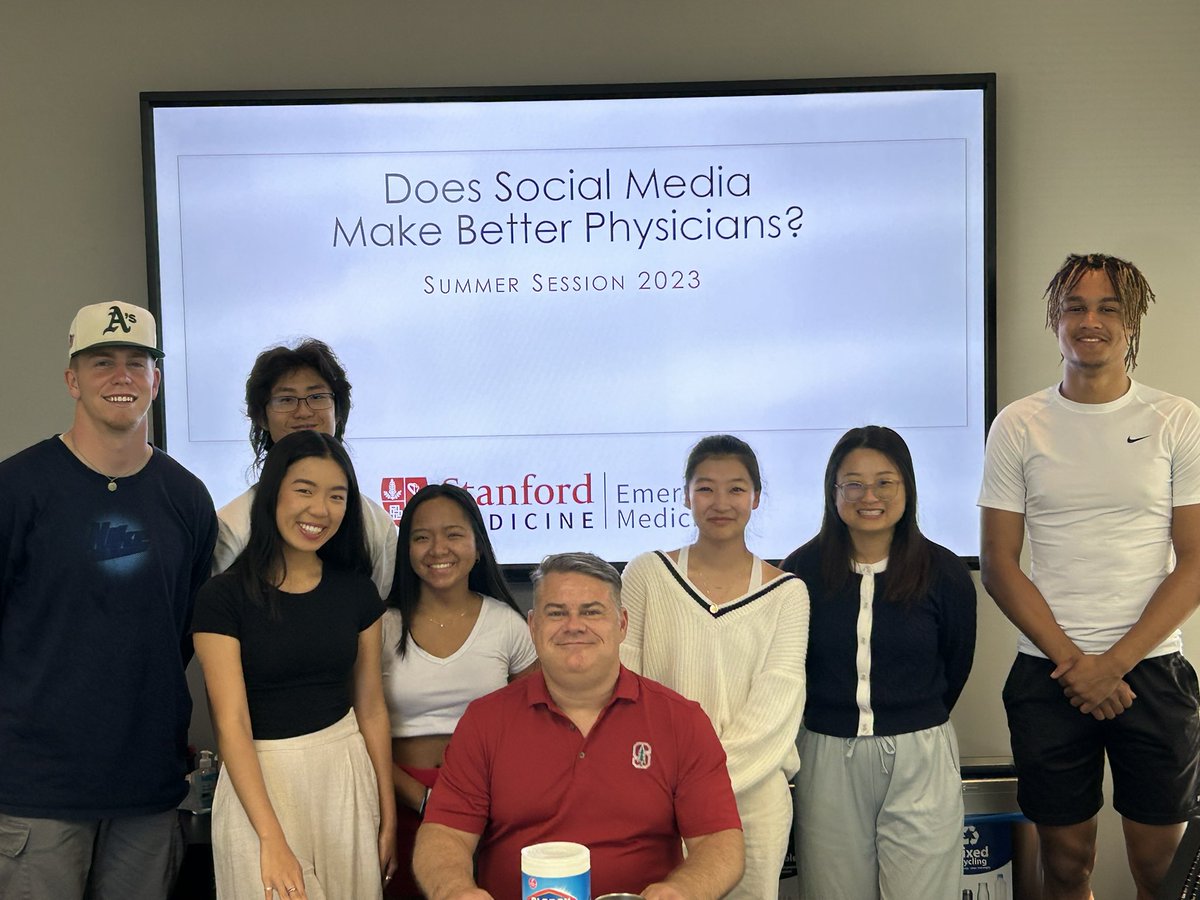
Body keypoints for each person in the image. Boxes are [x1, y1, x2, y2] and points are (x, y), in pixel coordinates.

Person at [979, 252, 1200, 900]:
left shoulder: (1176, 420)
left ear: (1132, 323)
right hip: (1049, 672)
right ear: (1054, 318)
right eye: (1075, 305)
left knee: (1162, 870)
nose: (1090, 320)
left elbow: (1194, 560)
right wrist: (1078, 663)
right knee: (1066, 864)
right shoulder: (1018, 424)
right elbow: (996, 562)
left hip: (1153, 671)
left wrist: (1114, 664)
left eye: (1108, 307)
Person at [0, 301, 217, 899]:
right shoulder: (18, 489)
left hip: (147, 785)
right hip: (37, 791)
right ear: (72, 378)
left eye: (136, 361)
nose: (120, 376)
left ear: (156, 380)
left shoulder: (187, 498)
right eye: (101, 362)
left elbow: (182, 631)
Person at [413, 552, 745, 900]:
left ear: (622, 625)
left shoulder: (681, 721)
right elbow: (445, 834)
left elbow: (718, 841)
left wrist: (683, 891)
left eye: (591, 611)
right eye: (556, 613)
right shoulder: (485, 721)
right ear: (533, 626)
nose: (574, 625)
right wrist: (454, 891)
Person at [193, 430, 397, 899]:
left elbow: (370, 708)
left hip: (344, 770)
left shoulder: (356, 591)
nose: (319, 510)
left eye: (336, 496)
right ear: (273, 494)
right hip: (259, 781)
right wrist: (271, 838)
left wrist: (386, 816)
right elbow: (231, 724)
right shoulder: (222, 598)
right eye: (304, 490)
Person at [781, 425, 976, 899]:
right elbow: (791, 668)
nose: (869, 495)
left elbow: (956, 663)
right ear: (834, 492)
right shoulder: (800, 573)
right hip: (826, 754)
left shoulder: (944, 571)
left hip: (920, 755)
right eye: (853, 483)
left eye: (885, 482)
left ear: (906, 487)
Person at [620, 435, 808, 900]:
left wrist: (700, 782)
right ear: (685, 495)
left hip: (753, 799)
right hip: (656, 792)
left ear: (756, 498)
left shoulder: (787, 593)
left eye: (736, 489)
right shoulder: (646, 574)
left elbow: (777, 703)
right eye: (706, 488)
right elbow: (624, 684)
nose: (720, 502)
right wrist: (669, 782)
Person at [381, 483, 537, 897]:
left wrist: (488, 799)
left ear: (477, 544)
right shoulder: (382, 627)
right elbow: (362, 729)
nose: (438, 549)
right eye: (421, 537)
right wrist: (419, 797)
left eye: (453, 534)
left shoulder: (507, 625)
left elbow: (533, 727)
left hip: (489, 807)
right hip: (396, 802)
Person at [213, 338, 397, 598]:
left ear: (339, 411)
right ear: (261, 417)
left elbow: (376, 613)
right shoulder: (233, 526)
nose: (303, 412)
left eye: (317, 397)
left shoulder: (376, 526)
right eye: (286, 400)